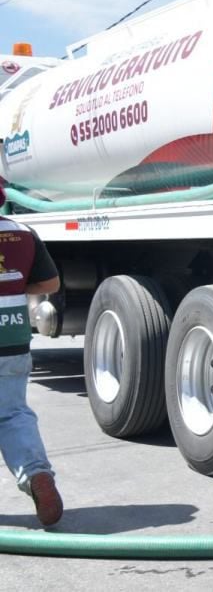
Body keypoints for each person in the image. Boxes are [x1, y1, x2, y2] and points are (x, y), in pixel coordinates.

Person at [0, 186, 63, 526]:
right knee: (11, 414)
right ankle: (37, 474)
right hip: (11, 339)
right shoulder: (22, 233)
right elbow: (50, 283)